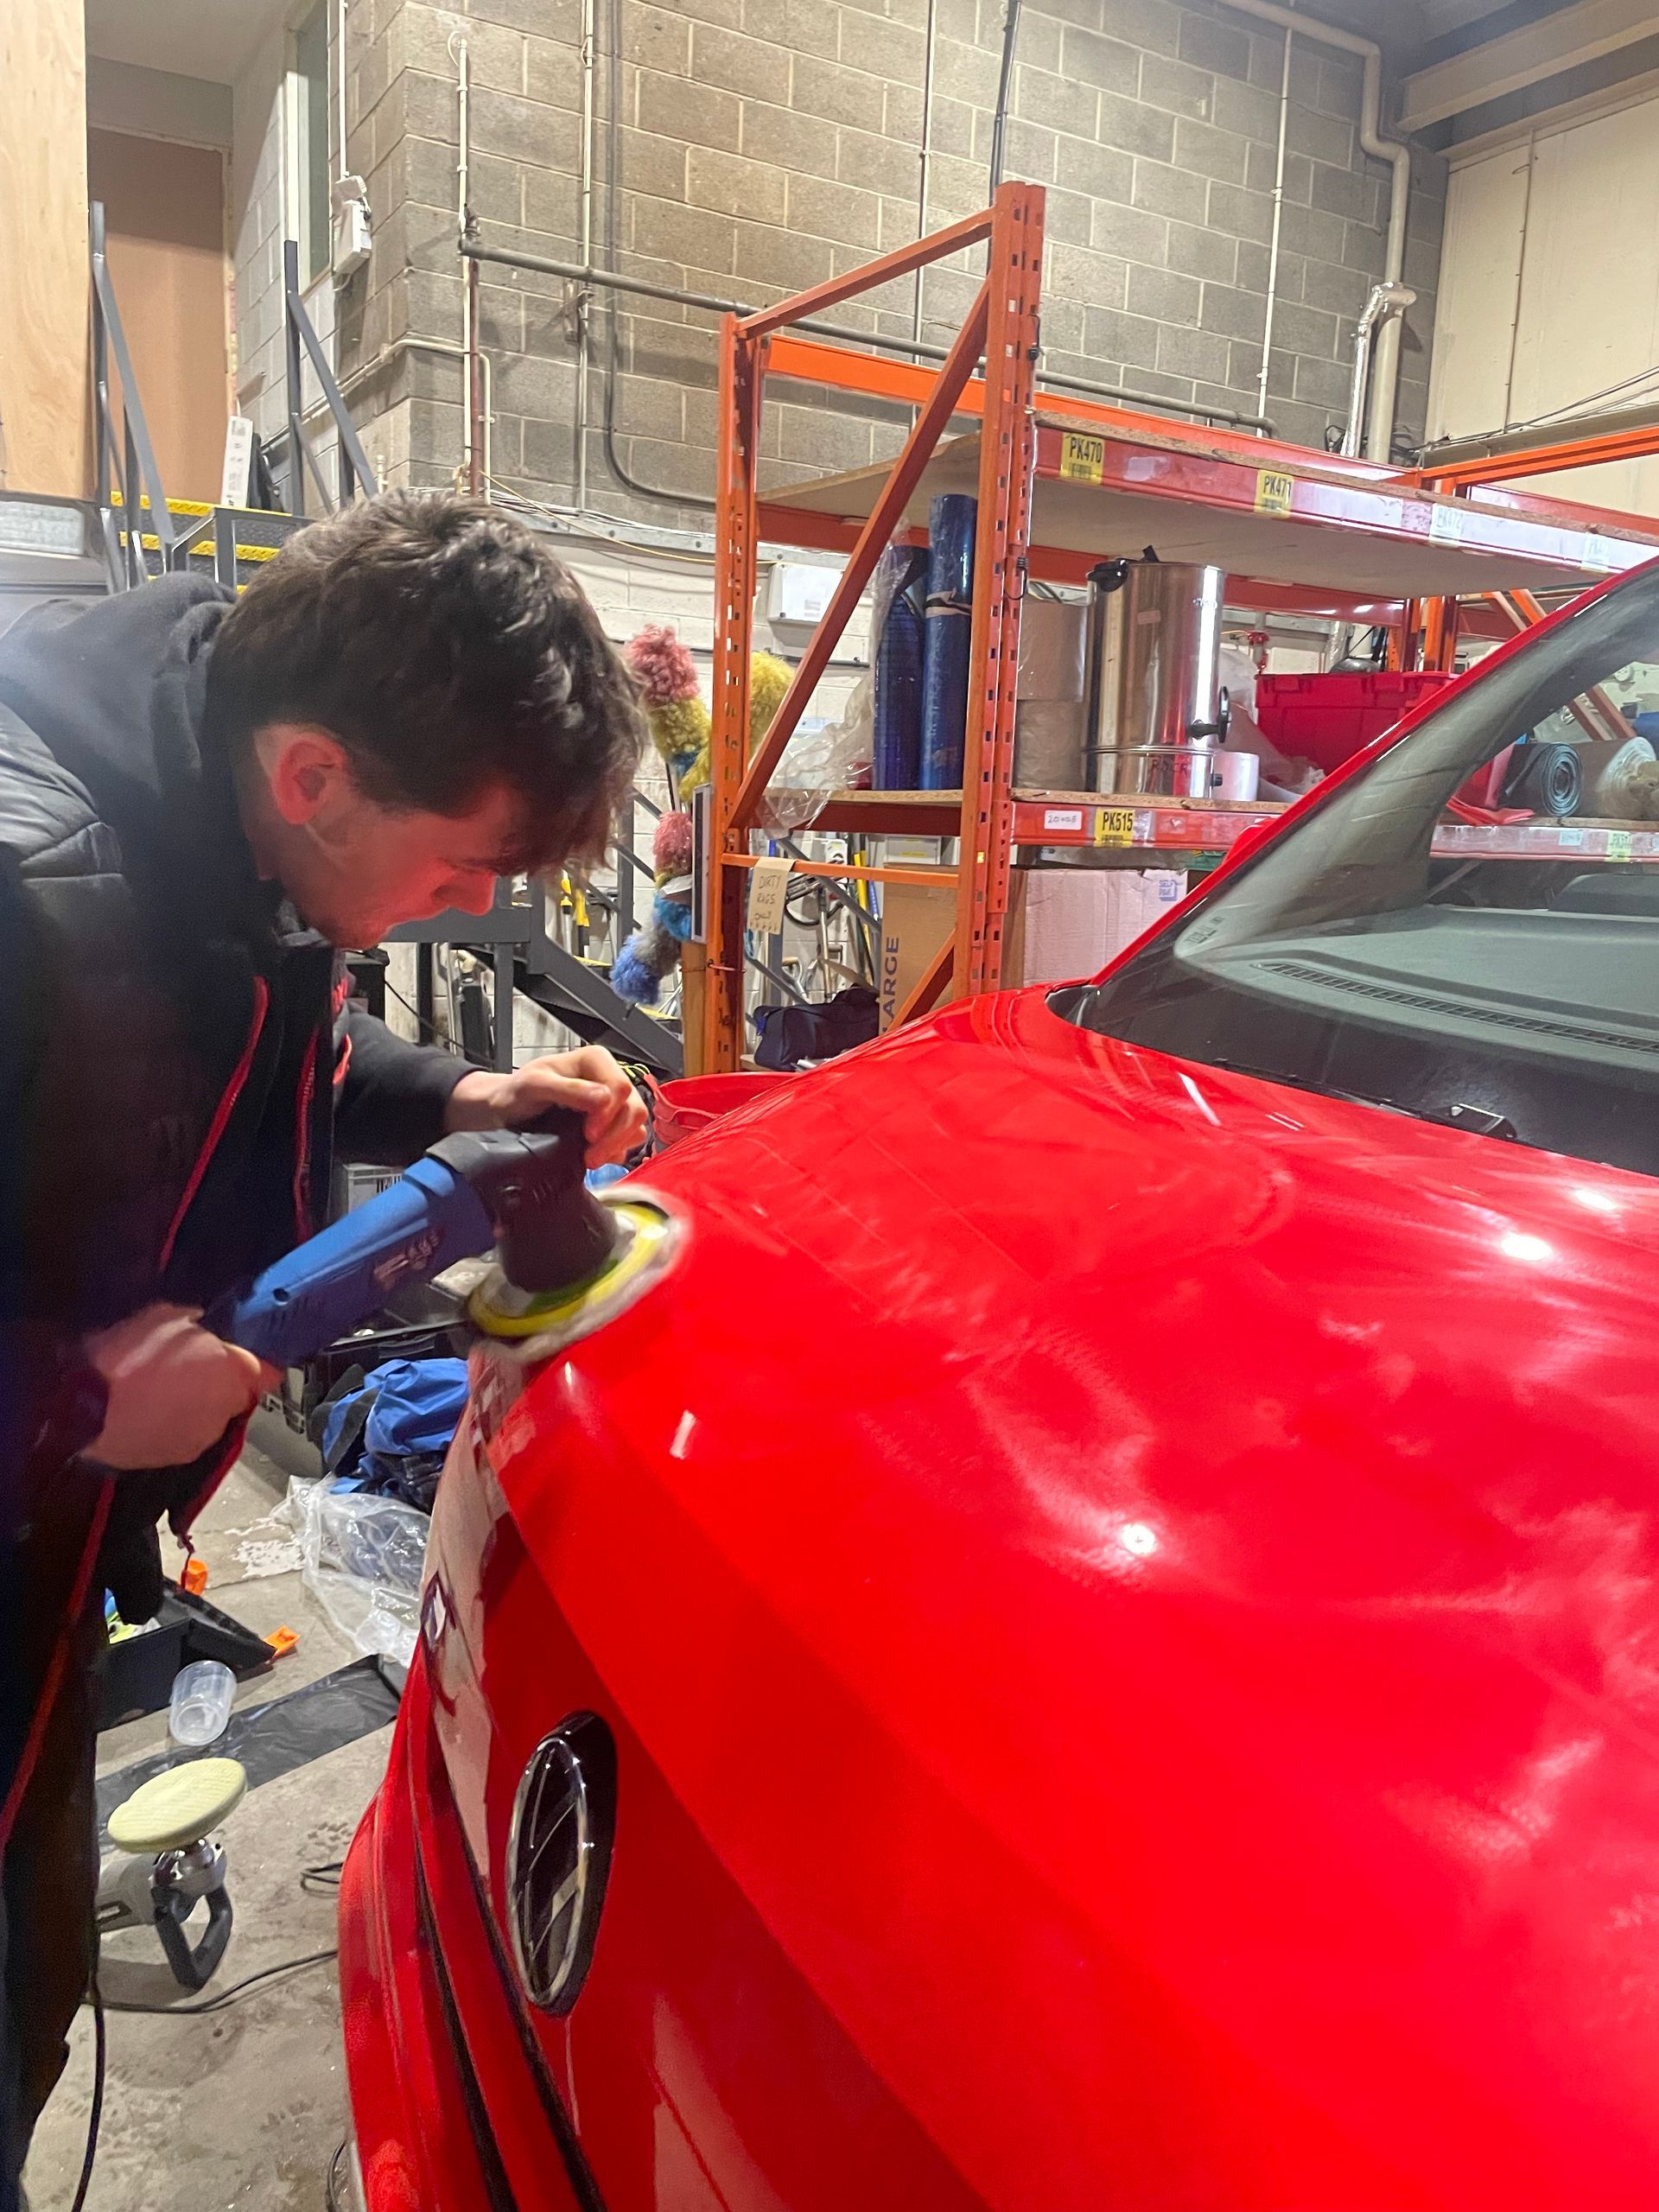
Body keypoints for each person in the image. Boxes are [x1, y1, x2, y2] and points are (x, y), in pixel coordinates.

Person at [0, 493, 649, 2201]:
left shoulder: (216, 812)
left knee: (21, 2000)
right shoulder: (23, 884)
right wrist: (67, 1398)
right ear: (314, 776)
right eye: (460, 866)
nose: (464, 904)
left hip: (52, 1565)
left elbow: (270, 1014)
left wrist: (460, 1091)